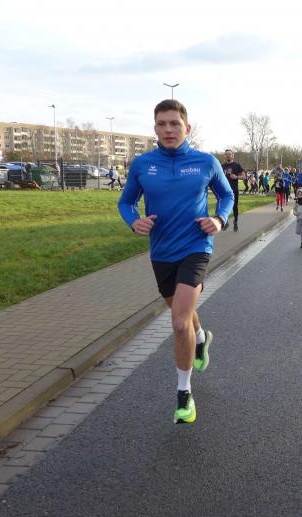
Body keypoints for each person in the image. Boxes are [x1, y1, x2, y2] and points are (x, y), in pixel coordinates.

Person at [118, 99, 234, 425]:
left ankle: (184, 394)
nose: (168, 130)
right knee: (180, 310)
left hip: (196, 245)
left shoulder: (206, 162)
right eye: (162, 124)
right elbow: (126, 202)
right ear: (154, 128)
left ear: (187, 127)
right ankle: (201, 338)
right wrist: (134, 221)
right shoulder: (143, 164)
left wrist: (219, 219)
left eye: (175, 123)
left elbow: (226, 195)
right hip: (161, 251)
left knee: (179, 322)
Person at [221, 149, 244, 231]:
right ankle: (226, 222)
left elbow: (244, 176)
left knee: (234, 207)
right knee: (224, 206)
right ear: (224, 156)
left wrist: (236, 177)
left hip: (234, 190)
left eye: (229, 154)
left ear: (233, 156)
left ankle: (235, 222)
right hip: (224, 190)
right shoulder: (222, 166)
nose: (228, 155)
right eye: (226, 154)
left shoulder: (237, 165)